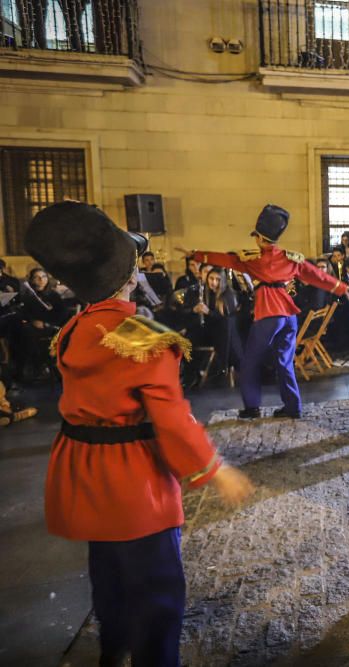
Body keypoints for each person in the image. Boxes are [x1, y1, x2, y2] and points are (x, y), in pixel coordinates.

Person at [25, 201, 254, 666]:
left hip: (86, 477)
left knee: (108, 578)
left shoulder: (76, 326)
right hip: (134, 487)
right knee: (158, 595)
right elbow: (172, 420)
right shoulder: (141, 338)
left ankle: (114, 650)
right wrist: (216, 470)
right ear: (130, 277)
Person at [180, 205, 349, 420]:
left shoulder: (253, 260)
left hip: (269, 315)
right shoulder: (292, 259)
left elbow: (225, 259)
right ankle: (292, 407)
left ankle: (252, 407)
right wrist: (342, 287)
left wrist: (196, 255)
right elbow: (316, 275)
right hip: (289, 316)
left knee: (250, 361)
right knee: (284, 362)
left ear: (261, 238)